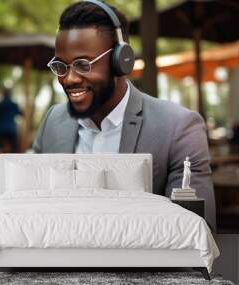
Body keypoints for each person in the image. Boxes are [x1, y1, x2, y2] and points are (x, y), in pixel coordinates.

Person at [32, 0, 216, 230]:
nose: (69, 79)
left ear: (121, 61)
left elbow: (198, 229)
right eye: (61, 67)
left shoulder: (179, 127)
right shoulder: (53, 121)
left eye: (83, 64)